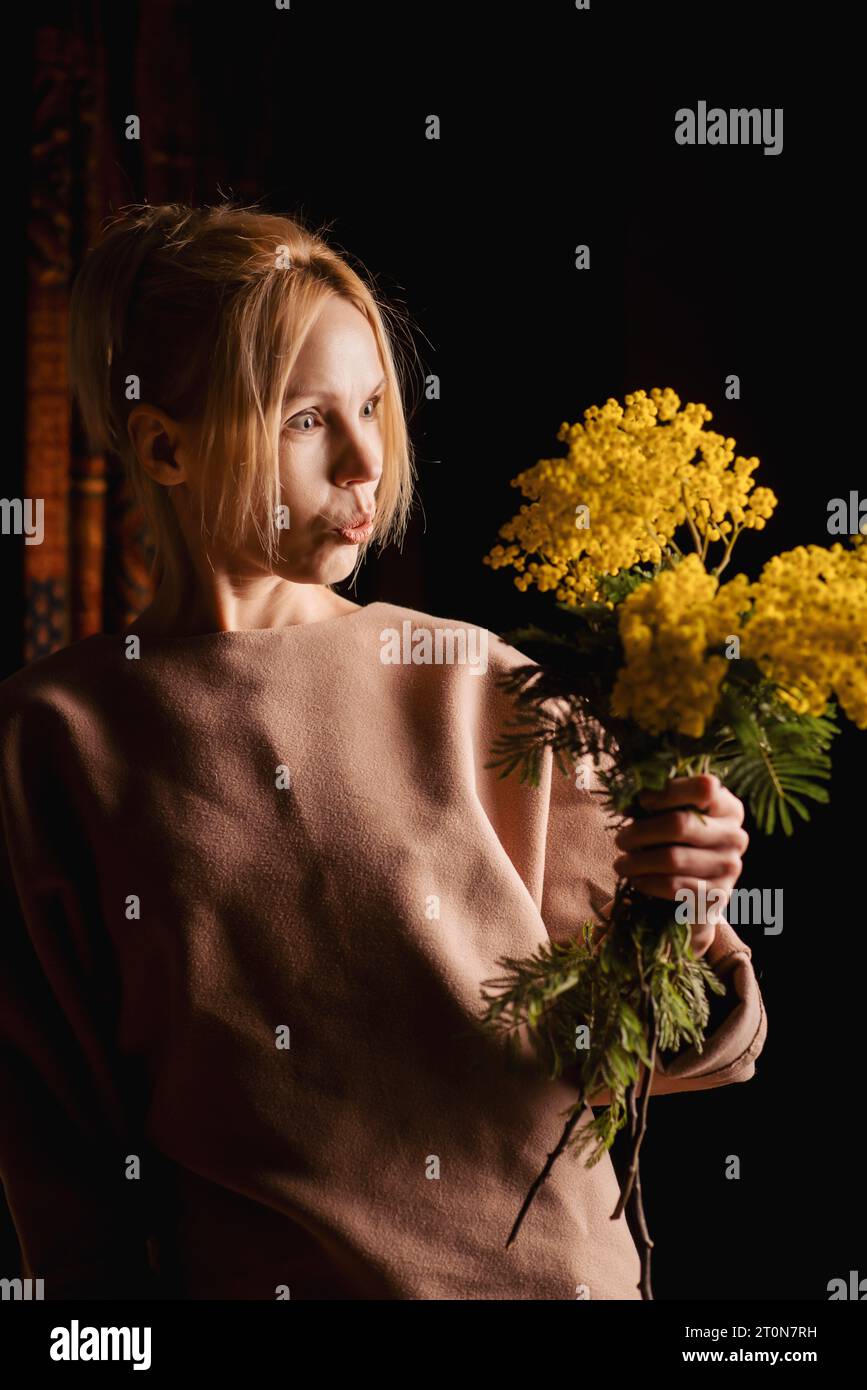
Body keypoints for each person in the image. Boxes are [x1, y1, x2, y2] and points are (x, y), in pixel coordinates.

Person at [0, 203, 767, 1300]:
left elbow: (658, 1046)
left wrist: (683, 900)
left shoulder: (482, 683)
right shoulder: (50, 742)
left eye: (370, 404)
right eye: (307, 419)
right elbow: (61, 1164)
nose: (366, 458)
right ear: (164, 443)